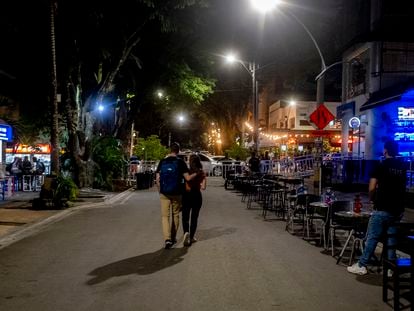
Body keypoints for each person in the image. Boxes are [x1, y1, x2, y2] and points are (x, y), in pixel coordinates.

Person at [347, 140, 407, 275]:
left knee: (372, 237)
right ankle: (391, 268)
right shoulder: (402, 167)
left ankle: (362, 264)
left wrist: (372, 198)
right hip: (397, 209)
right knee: (391, 238)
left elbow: (372, 187)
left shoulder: (380, 166)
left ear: (385, 150)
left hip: (382, 207)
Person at [155, 142, 196, 249]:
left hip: (164, 192)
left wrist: (160, 190)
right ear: (178, 151)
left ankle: (167, 239)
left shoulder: (163, 161)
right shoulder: (180, 162)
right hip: (177, 192)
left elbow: (157, 178)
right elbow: (187, 178)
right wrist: (197, 173)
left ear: (169, 150)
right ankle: (173, 238)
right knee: (176, 215)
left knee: (165, 216)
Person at [182, 154, 207, 247]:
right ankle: (192, 237)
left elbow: (186, 186)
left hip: (187, 196)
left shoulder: (187, 172)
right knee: (194, 217)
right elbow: (203, 187)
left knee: (185, 217)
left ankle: (186, 233)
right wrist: (198, 183)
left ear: (191, 161)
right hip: (197, 195)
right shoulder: (201, 172)